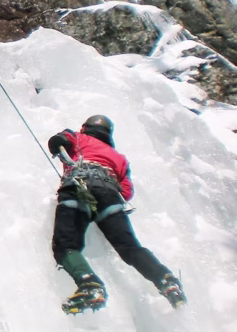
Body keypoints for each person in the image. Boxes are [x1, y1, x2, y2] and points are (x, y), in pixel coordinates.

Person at [48, 114, 186, 313]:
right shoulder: (119, 158)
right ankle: (165, 279)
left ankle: (89, 285)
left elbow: (59, 140)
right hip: (110, 196)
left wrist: (58, 147)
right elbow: (126, 192)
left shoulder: (77, 137)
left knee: (65, 245)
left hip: (78, 188)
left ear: (86, 128)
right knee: (129, 247)